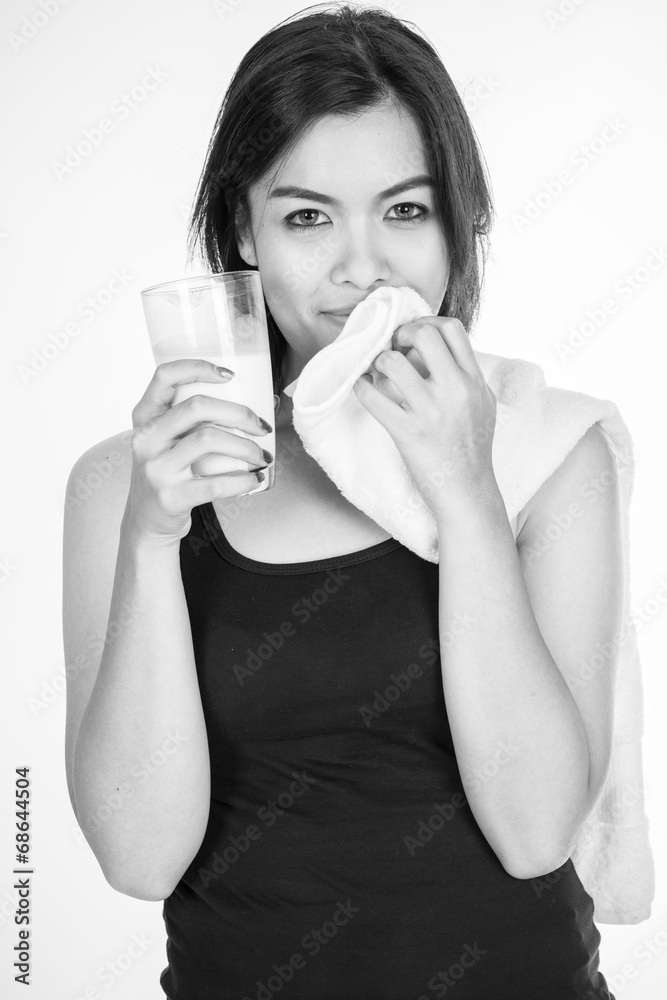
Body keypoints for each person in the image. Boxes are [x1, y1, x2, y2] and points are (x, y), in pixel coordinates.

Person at [63, 4, 621, 997]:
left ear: (462, 220)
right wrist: (152, 539)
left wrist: (464, 488)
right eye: (307, 217)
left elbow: (537, 832)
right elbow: (138, 859)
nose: (360, 266)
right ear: (245, 227)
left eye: (405, 210)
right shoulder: (128, 482)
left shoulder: (547, 449)